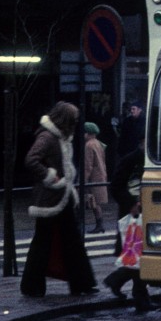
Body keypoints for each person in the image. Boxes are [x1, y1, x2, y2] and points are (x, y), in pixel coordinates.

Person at [20, 101, 98, 297]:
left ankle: (80, 283)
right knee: (46, 242)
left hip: (60, 195)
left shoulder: (60, 137)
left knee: (66, 241)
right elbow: (31, 159)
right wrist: (50, 176)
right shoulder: (47, 137)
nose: (76, 123)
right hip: (51, 196)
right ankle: (35, 286)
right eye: (73, 120)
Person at [104, 146, 154, 312]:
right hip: (132, 214)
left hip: (146, 211)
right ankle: (139, 296)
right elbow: (116, 185)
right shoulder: (131, 159)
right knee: (138, 254)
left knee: (141, 254)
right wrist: (131, 203)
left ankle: (119, 281)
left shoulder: (153, 157)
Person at [83, 122, 109, 233]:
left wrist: (83, 180)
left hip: (93, 178)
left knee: (93, 202)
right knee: (95, 202)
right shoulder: (98, 143)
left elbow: (88, 165)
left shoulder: (89, 145)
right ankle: (100, 224)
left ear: (88, 133)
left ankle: (99, 225)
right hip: (101, 175)